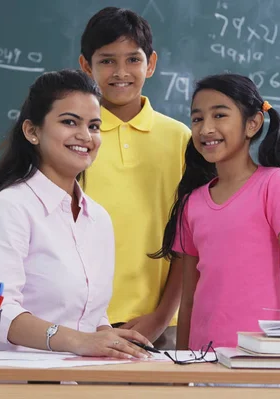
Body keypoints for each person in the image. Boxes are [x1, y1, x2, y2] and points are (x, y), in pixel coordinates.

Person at [0, 69, 152, 359]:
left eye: (94, 126)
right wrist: (79, 341)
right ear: (32, 131)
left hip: (78, 380)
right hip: (15, 381)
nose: (85, 136)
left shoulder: (99, 219)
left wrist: (106, 335)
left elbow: (88, 313)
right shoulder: (10, 207)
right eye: (70, 122)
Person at [151, 73, 280, 351]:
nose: (205, 128)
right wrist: (181, 373)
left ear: (252, 123)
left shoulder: (273, 184)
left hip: (263, 356)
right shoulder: (191, 203)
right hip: (204, 357)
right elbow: (189, 299)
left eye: (219, 116)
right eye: (197, 119)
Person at [77, 7, 191, 348]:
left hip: (162, 322)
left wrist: (160, 316)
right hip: (81, 322)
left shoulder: (181, 139)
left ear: (151, 63)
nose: (121, 72)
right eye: (107, 61)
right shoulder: (75, 138)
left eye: (133, 60)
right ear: (86, 66)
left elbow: (190, 240)